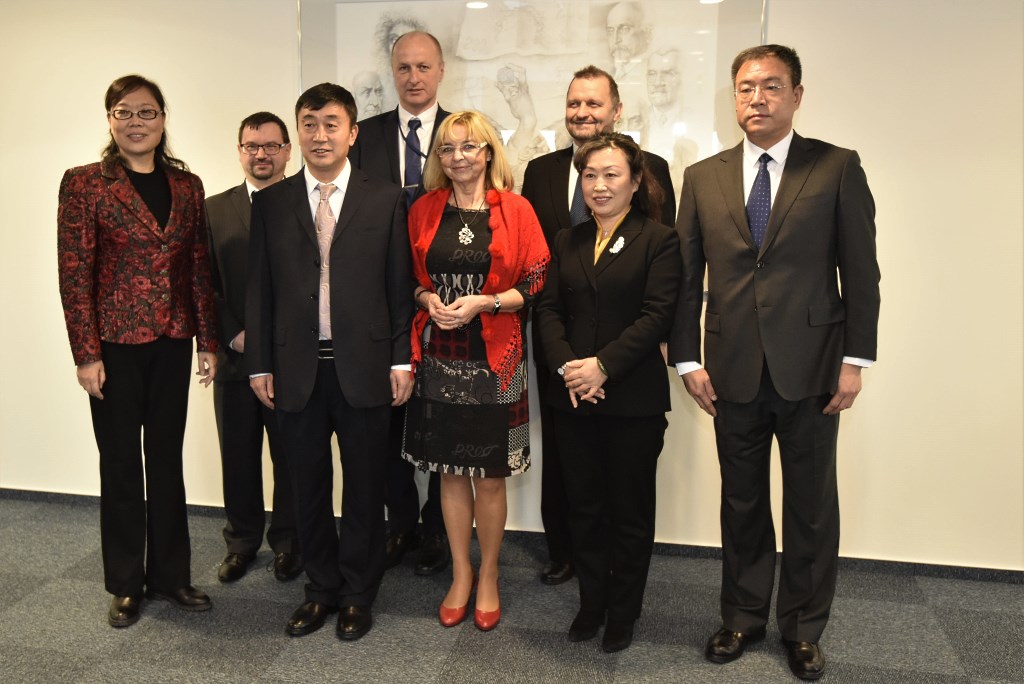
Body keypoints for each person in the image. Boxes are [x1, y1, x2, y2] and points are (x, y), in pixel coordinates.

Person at [668, 45, 880, 681]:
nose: (755, 98)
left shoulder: (836, 166)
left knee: (810, 505)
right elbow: (686, 278)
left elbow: (861, 272)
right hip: (729, 368)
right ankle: (741, 617)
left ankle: (804, 629)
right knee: (741, 502)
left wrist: (854, 360)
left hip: (814, 368)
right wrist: (686, 358)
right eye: (744, 87)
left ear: (796, 95)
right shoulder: (702, 177)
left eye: (770, 86)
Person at [245, 83, 414, 642]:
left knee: (365, 486)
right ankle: (320, 587)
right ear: (299, 132)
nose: (320, 135)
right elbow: (259, 290)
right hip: (296, 369)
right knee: (306, 485)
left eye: (331, 124)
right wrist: (259, 363)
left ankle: (358, 592)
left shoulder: (385, 198)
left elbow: (398, 286)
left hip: (364, 366)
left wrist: (401, 359)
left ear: (352, 132)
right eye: (310, 124)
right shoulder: (271, 202)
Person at [57, 74, 218, 628]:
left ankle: (171, 576)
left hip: (173, 341)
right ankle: (126, 583)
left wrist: (207, 340)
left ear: (163, 119)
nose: (135, 122)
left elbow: (198, 267)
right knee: (122, 464)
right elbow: (74, 272)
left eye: (146, 112)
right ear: (110, 120)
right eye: (123, 112)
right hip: (114, 347)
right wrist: (86, 353)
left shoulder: (187, 185)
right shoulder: (85, 183)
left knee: (167, 461)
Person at [520, 64, 674, 587]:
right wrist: (566, 362)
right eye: (574, 103)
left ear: (616, 110)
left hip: (624, 362)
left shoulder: (650, 168)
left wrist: (609, 362)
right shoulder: (540, 172)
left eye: (593, 103)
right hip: (560, 352)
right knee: (566, 464)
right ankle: (564, 552)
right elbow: (536, 266)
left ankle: (615, 574)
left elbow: (663, 271)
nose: (582, 112)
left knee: (623, 486)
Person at [403, 111, 549, 632]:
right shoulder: (423, 208)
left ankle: (488, 574)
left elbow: (537, 279)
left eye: (468, 146)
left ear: (488, 152)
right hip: (439, 358)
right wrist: (427, 299)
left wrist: (486, 302)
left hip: (496, 360)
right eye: (447, 149)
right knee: (447, 472)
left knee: (488, 476)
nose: (458, 157)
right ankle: (460, 573)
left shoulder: (516, 209)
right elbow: (408, 279)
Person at [535, 132, 680, 653]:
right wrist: (568, 368)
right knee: (585, 508)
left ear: (635, 181)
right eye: (590, 175)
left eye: (611, 175)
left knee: (629, 514)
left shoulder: (659, 240)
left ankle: (623, 612)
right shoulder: (566, 239)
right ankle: (591, 603)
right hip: (573, 396)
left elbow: (656, 315)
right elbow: (548, 309)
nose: (599, 185)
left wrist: (602, 367)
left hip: (631, 400)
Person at [349, 29, 451, 576]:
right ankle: (402, 523)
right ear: (393, 73)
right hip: (378, 301)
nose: (414, 77)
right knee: (386, 421)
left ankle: (436, 529)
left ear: (441, 71)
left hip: (448, 305)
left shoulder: (462, 134)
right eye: (404, 68)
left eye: (423, 67)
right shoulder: (362, 136)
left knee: (440, 417)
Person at [205, 112, 302, 584]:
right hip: (234, 358)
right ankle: (241, 542)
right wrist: (233, 333)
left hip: (291, 360)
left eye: (271, 146)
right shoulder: (213, 210)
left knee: (291, 457)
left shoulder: (308, 203)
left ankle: (288, 542)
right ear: (239, 151)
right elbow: (202, 283)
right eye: (251, 146)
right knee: (238, 457)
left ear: (287, 151)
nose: (261, 154)